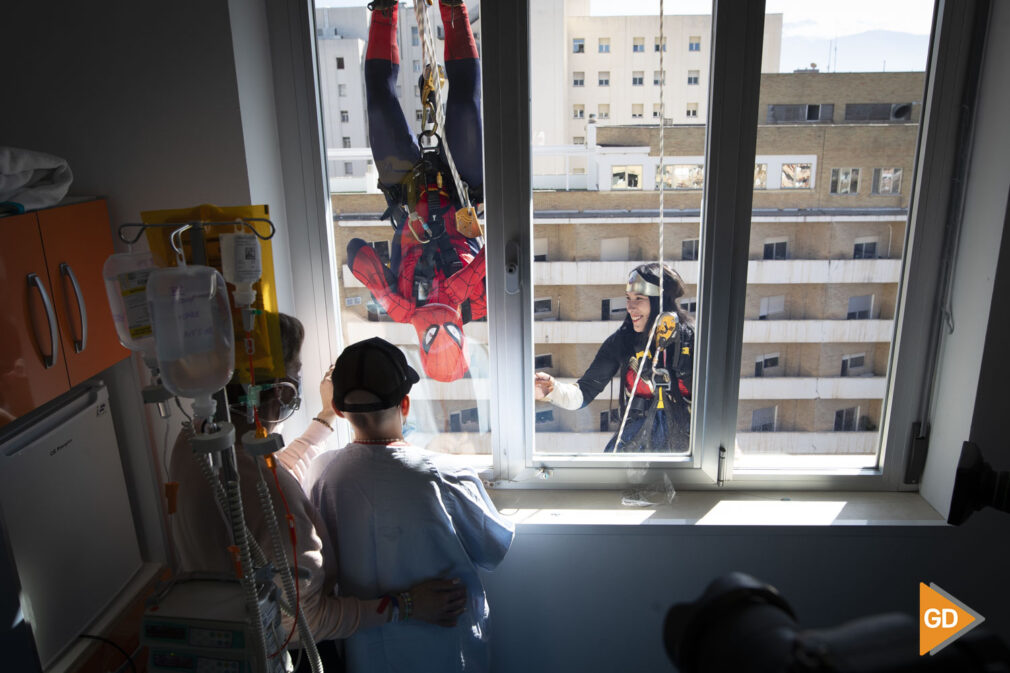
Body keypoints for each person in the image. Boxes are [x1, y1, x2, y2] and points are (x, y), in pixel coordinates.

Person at [169, 314, 465, 668]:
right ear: (281, 391)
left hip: (213, 630)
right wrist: (408, 605)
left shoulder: (194, 440)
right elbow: (301, 622)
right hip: (287, 653)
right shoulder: (274, 496)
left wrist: (326, 419)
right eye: (296, 371)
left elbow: (264, 479)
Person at [311, 337, 514, 673]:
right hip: (446, 652)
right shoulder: (445, 474)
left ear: (337, 409)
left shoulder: (323, 475)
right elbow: (493, 550)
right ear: (405, 405)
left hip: (366, 653)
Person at [346, 0, 486, 383]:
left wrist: (393, 299)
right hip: (461, 191)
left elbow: (355, 250)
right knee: (462, 105)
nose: (440, 331)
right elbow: (508, 250)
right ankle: (451, 7)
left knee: (380, 103)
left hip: (407, 192)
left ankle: (384, 11)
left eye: (432, 340)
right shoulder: (478, 302)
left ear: (420, 346)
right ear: (464, 339)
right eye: (450, 336)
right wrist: (459, 290)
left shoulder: (403, 307)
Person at [534, 263, 695, 452]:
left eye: (639, 298)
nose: (630, 307)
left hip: (687, 446)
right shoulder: (623, 340)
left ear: (659, 302)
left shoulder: (690, 340)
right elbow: (583, 393)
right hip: (636, 445)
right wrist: (553, 390)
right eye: (628, 298)